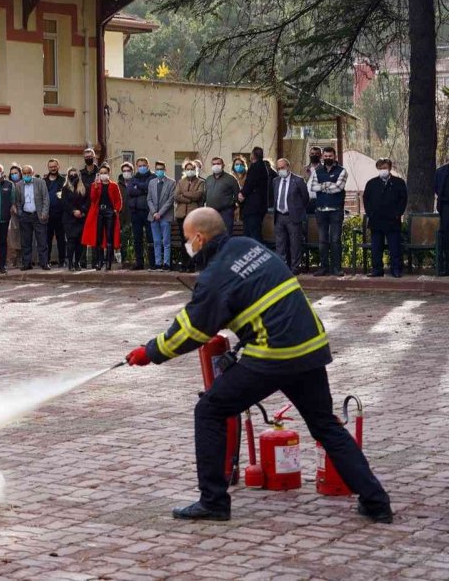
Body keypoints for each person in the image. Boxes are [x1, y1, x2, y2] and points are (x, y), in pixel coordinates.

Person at [124, 207, 393, 525]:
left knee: (210, 410)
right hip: (310, 347)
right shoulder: (248, 246)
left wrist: (150, 352)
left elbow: (191, 331)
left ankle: (213, 501)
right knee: (325, 425)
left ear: (199, 237)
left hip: (273, 354)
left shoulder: (214, 277)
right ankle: (376, 502)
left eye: (187, 240)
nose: (187, 247)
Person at [363, 159, 407, 278]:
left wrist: (398, 214)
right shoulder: (371, 183)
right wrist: (370, 213)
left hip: (392, 221)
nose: (383, 169)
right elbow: (366, 199)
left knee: (395, 247)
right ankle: (377, 269)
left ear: (390, 167)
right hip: (376, 221)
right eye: (380, 167)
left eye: (385, 167)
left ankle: (396, 269)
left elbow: (403, 199)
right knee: (376, 247)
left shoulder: (398, 182)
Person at [310, 146, 348, 277]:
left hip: (336, 211)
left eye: (330, 156)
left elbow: (338, 187)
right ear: (323, 157)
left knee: (335, 240)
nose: (327, 158)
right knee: (322, 241)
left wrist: (323, 186)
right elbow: (313, 187)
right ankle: (323, 268)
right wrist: (328, 184)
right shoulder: (317, 171)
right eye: (325, 156)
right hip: (321, 210)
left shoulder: (342, 171)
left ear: (335, 157)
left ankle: (337, 268)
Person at [272, 158, 310, 275]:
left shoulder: (298, 180)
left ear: (288, 167)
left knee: (295, 244)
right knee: (280, 244)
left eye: (282, 168)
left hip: (293, 216)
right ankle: (282, 267)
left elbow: (305, 198)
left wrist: (297, 209)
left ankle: (295, 268)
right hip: (279, 216)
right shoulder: (276, 181)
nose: (280, 170)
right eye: (278, 168)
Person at [82, 165, 122, 270]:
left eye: (105, 172)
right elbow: (93, 199)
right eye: (101, 173)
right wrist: (95, 186)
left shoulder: (114, 185)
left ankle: (108, 262)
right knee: (98, 238)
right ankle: (99, 262)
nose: (103, 175)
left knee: (109, 237)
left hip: (110, 212)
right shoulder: (95, 185)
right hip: (98, 212)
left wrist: (116, 210)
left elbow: (118, 200)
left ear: (108, 173)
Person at [14, 165, 51, 271]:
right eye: (24, 173)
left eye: (28, 173)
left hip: (38, 215)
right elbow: (17, 201)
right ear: (22, 174)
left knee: (42, 241)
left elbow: (46, 199)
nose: (26, 175)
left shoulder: (40, 182)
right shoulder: (19, 185)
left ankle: (44, 263)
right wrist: (20, 213)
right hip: (25, 215)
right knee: (26, 241)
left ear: (33, 172)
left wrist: (44, 212)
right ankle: (27, 263)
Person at [238, 146, 275, 243]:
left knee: (253, 235)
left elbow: (250, 183)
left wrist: (242, 194)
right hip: (260, 206)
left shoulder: (255, 167)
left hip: (253, 207)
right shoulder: (264, 167)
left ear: (253, 155)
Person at [174, 160, 206, 272]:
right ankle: (184, 264)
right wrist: (188, 198)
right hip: (181, 215)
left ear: (195, 170)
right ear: (184, 170)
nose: (190, 171)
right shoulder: (180, 182)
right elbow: (176, 196)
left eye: (192, 169)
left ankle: (192, 265)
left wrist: (185, 195)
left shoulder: (200, 182)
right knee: (184, 241)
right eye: (188, 169)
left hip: (193, 215)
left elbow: (198, 195)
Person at [126, 157, 155, 270]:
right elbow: (130, 191)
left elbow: (148, 187)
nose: (141, 167)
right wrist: (142, 189)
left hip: (148, 211)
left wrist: (138, 186)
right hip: (135, 212)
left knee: (150, 238)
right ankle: (139, 263)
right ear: (137, 167)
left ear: (148, 166)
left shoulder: (152, 177)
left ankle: (152, 263)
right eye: (139, 165)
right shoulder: (133, 177)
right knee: (137, 239)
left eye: (144, 165)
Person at [61, 167, 89, 271]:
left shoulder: (85, 187)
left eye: (75, 174)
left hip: (81, 218)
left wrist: (82, 211)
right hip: (69, 219)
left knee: (80, 242)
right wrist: (73, 211)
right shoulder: (65, 188)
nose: (73, 176)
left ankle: (77, 262)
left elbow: (88, 201)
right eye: (71, 175)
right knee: (71, 241)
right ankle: (70, 263)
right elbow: (64, 202)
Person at [147, 161, 174, 271]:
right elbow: (149, 199)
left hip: (165, 216)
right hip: (153, 216)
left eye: (161, 169)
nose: (159, 171)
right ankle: (158, 263)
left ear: (165, 169)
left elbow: (170, 200)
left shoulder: (171, 182)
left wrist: (160, 213)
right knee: (156, 241)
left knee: (166, 242)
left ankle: (166, 263)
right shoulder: (151, 182)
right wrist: (154, 212)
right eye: (157, 169)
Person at [204, 156, 239, 236]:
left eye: (218, 163)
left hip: (226, 212)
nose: (216, 166)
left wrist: (231, 205)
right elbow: (205, 195)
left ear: (223, 165)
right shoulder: (208, 179)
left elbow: (237, 195)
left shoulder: (230, 179)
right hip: (211, 212)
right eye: (214, 164)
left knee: (226, 234)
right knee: (212, 235)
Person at [43, 159, 66, 267]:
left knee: (61, 239)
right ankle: (46, 261)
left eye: (54, 166)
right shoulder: (44, 181)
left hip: (61, 214)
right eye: (51, 166)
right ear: (48, 168)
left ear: (58, 166)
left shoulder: (64, 180)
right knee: (47, 239)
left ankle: (62, 261)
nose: (53, 168)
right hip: (47, 214)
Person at [117, 162, 133, 267]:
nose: (126, 173)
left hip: (134, 215)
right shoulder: (118, 186)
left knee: (134, 241)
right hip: (122, 217)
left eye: (128, 171)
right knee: (123, 240)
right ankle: (124, 261)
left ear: (131, 172)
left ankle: (133, 261)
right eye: (124, 171)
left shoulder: (135, 183)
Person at [437, 158, 449, 276]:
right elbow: (437, 188)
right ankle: (447, 267)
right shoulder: (441, 172)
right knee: (446, 237)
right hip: (446, 207)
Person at [304, 146, 323, 214]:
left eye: (316, 154)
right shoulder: (305, 169)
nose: (314, 155)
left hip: (319, 200)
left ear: (321, 156)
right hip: (307, 200)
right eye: (312, 154)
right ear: (309, 155)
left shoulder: (324, 169)